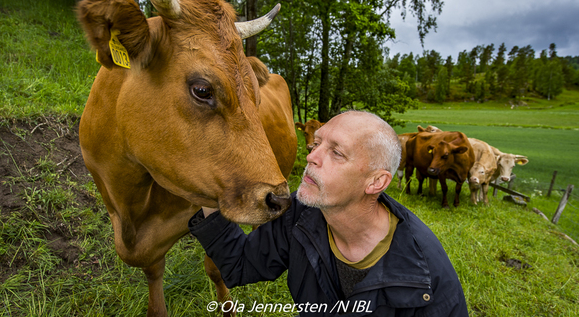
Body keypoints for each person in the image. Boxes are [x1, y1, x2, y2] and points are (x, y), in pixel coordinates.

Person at [189, 110, 468, 316]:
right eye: (316, 144)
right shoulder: (301, 212)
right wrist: (207, 171)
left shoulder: (426, 276)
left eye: (336, 153)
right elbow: (240, 264)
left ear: (376, 182)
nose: (311, 157)